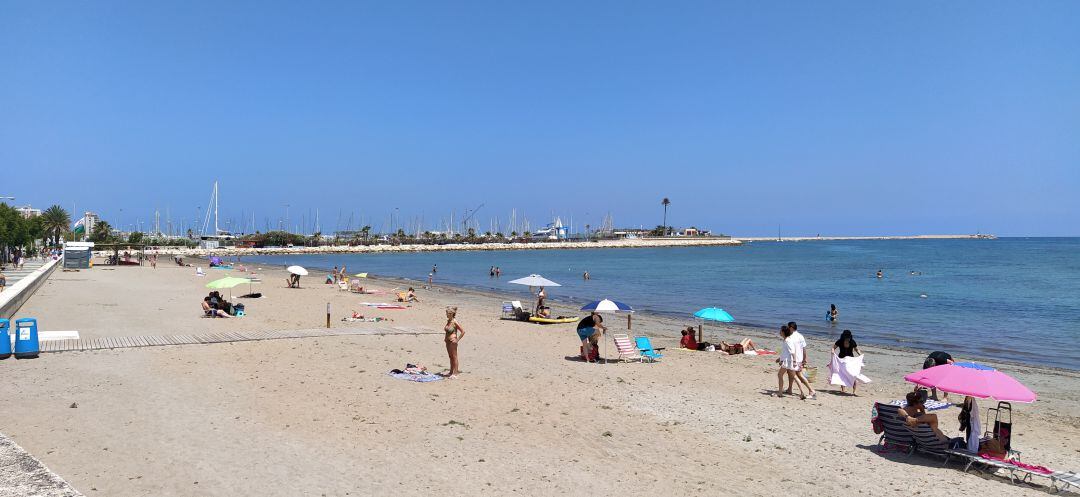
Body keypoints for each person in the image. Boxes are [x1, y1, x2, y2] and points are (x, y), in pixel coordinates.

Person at [899, 391, 964, 447]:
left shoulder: (905, 417)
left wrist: (909, 416)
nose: (923, 403)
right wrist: (921, 410)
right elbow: (924, 417)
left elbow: (900, 410)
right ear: (916, 403)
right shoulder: (931, 417)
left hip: (922, 443)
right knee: (961, 441)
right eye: (922, 401)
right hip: (942, 444)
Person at [776, 325, 804, 398]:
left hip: (788, 362)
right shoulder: (787, 339)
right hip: (787, 361)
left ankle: (780, 393)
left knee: (780, 375)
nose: (779, 332)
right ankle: (802, 393)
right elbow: (785, 352)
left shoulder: (788, 340)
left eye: (780, 331)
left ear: (783, 332)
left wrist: (794, 361)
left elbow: (792, 351)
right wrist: (780, 359)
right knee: (794, 376)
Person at [443, 306, 465, 378]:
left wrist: (457, 340)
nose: (446, 314)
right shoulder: (448, 321)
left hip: (453, 341)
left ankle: (455, 373)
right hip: (447, 341)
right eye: (446, 313)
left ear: (451, 314)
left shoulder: (455, 321)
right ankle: (451, 372)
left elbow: (463, 331)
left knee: (454, 357)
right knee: (450, 357)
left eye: (448, 313)